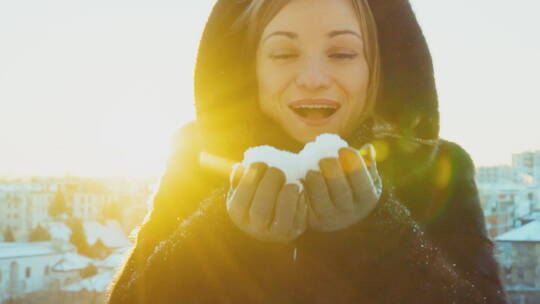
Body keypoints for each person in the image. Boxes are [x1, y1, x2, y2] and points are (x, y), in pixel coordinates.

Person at [106, 0, 508, 303]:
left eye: (343, 54)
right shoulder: (197, 160)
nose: (313, 79)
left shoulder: (437, 166)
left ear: (376, 69)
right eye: (283, 54)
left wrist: (376, 237)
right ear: (251, 68)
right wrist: (227, 239)